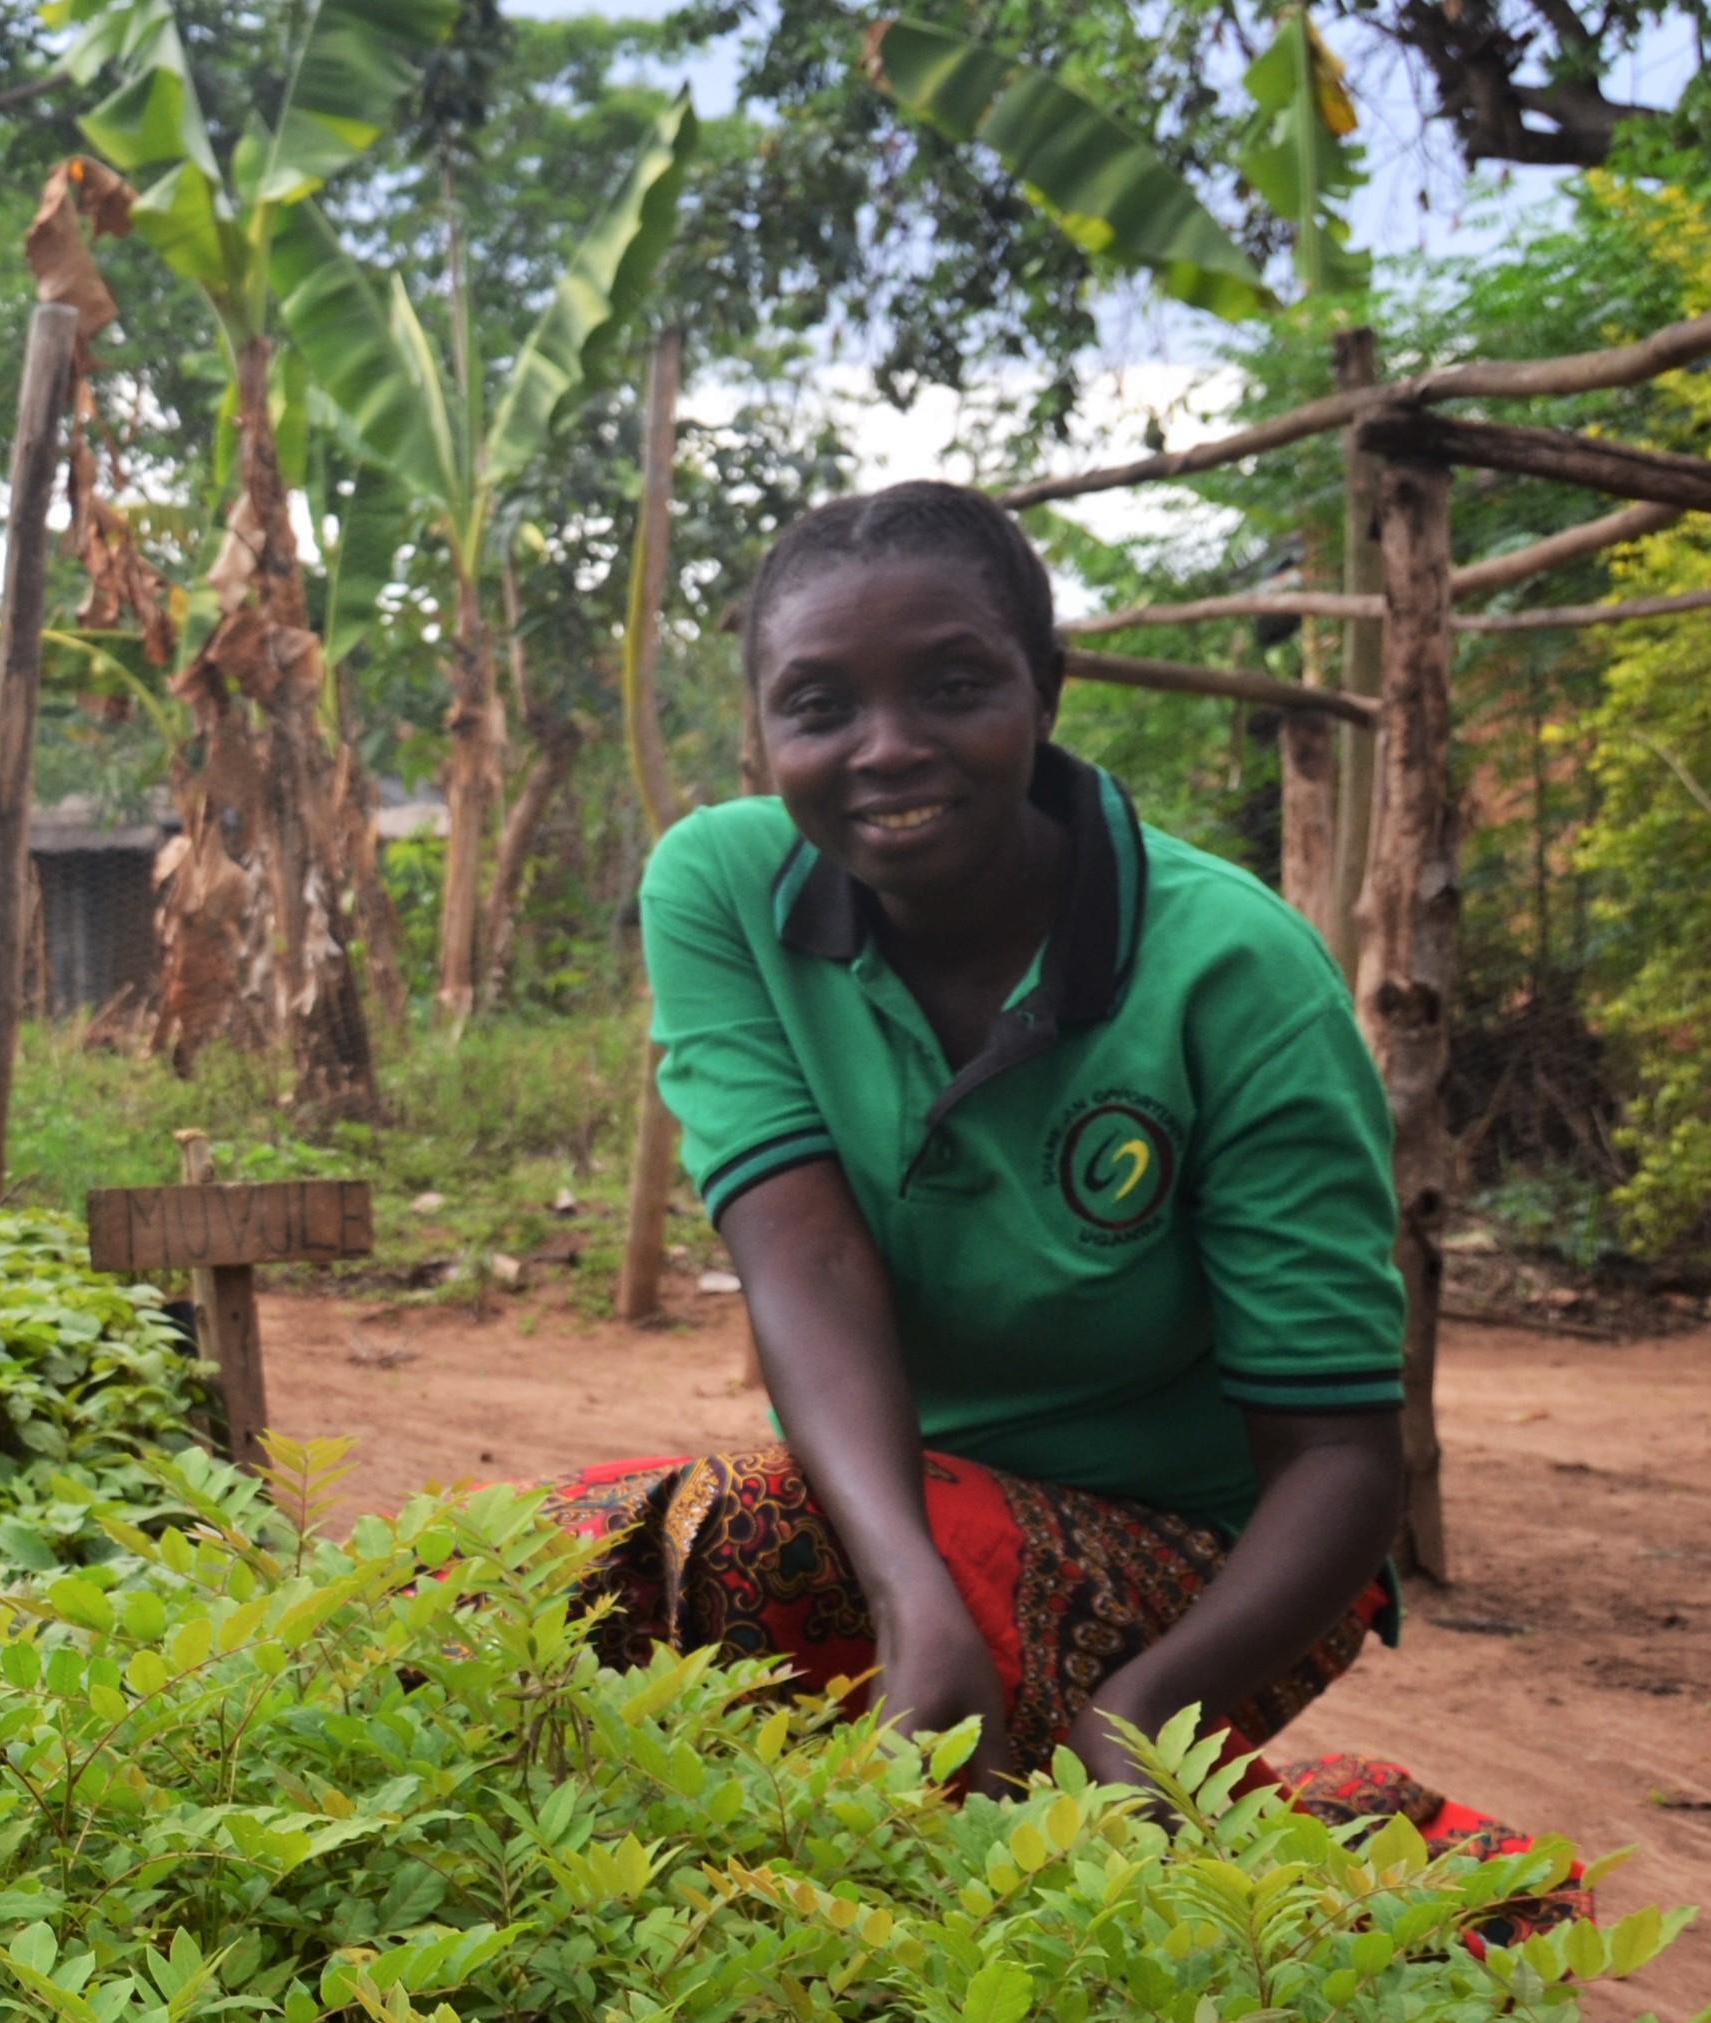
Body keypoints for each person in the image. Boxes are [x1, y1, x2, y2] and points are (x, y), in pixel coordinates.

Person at [549, 481, 1557, 1901]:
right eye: (820, 706)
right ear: (764, 732)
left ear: (1046, 687)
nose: (887, 749)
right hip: (897, 1506)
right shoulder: (722, 889)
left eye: (954, 686)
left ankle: (1403, 1876)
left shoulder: (1234, 974)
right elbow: (803, 1263)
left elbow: (1341, 1458)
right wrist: (915, 1593)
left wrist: (1146, 1709)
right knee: (546, 1590)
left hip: (1219, 1571)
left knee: (765, 1574)